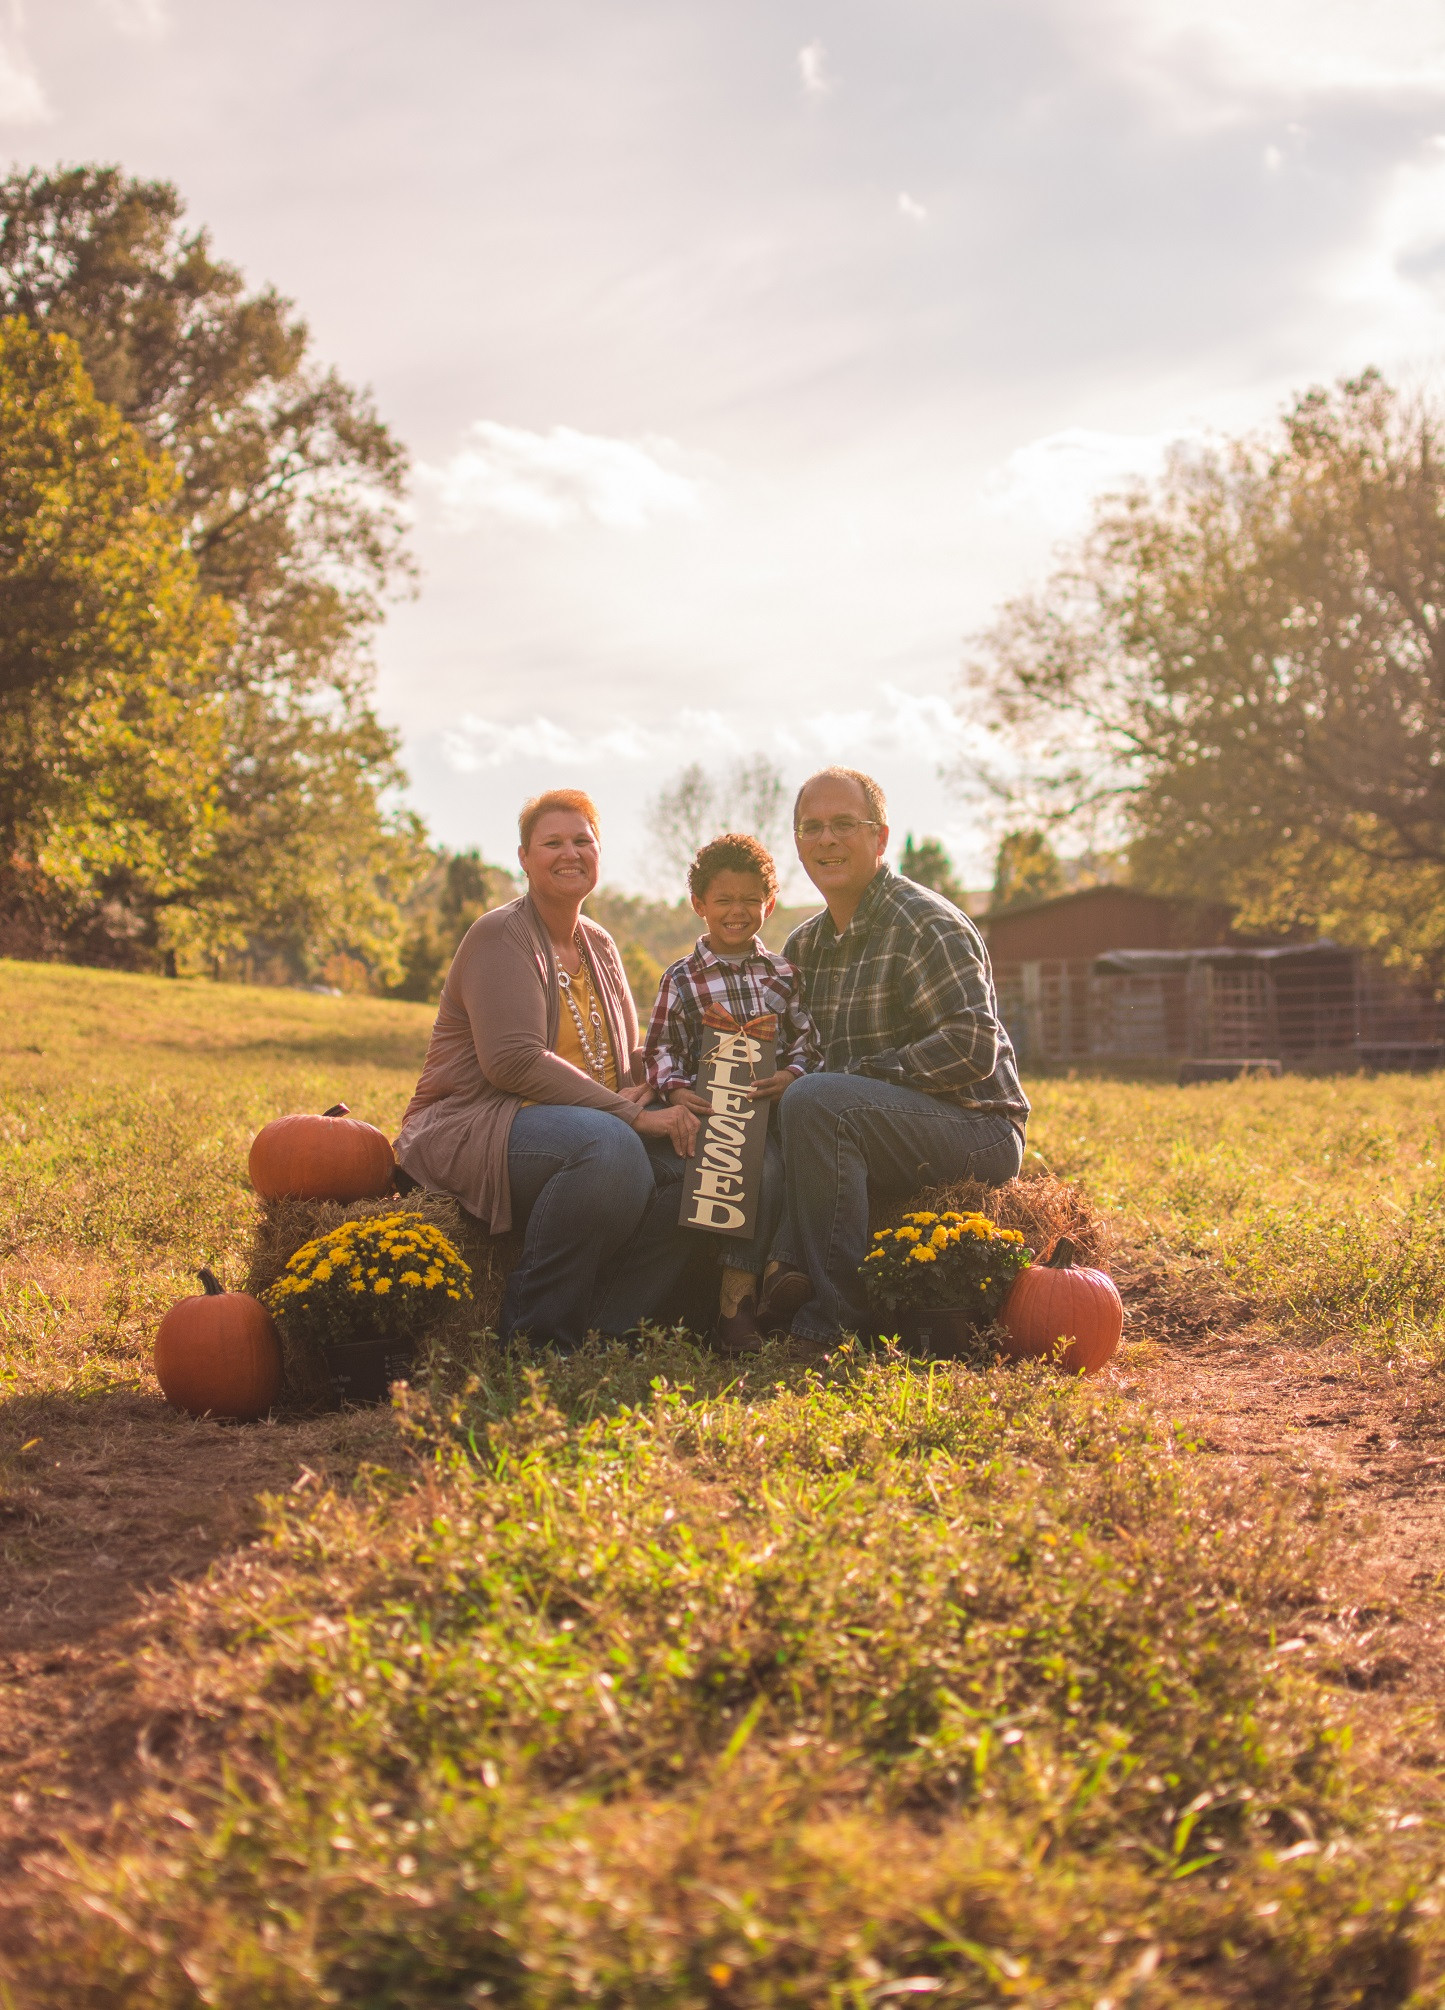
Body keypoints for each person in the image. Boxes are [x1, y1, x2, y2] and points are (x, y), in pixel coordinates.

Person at [394, 788, 698, 1348]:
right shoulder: (499, 935)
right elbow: (512, 1061)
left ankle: (609, 1327)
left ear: (599, 853)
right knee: (609, 1148)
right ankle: (534, 1337)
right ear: (524, 858)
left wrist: (669, 1088)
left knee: (692, 1169)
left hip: (585, 1122)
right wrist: (628, 1116)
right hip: (479, 1123)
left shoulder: (599, 944)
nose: (570, 853)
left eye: (583, 840)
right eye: (552, 842)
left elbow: (625, 1055)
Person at [760, 766, 1029, 1345]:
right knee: (781, 1113)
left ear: (880, 838)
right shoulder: (804, 945)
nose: (826, 840)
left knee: (818, 1101)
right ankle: (755, 1286)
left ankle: (833, 1324)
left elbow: (972, 1046)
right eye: (811, 828)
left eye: (843, 824)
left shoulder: (926, 923)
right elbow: (795, 1054)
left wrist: (852, 1079)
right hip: (861, 1124)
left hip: (975, 1124)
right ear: (798, 845)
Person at [643, 833, 822, 1354]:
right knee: (761, 1171)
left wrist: (791, 1075)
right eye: (723, 899)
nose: (737, 911)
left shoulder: (784, 974)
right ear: (699, 904)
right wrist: (677, 1092)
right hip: (717, 1118)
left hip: (776, 1109)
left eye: (750, 899)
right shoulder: (682, 979)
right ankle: (734, 1309)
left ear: (770, 903)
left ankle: (781, 1270)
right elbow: (659, 1049)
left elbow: (809, 1041)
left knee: (808, 1163)